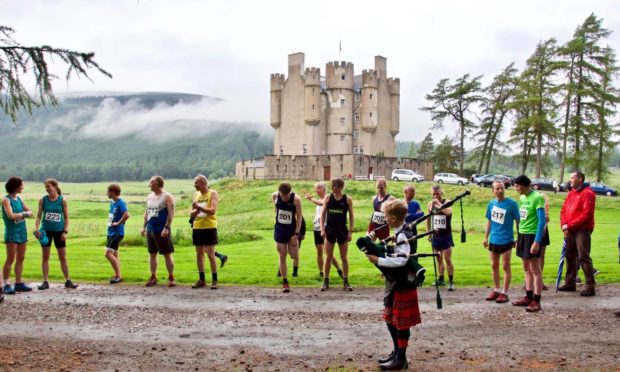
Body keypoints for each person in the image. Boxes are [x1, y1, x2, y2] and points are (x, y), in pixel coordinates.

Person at [366, 199, 421, 370]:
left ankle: (401, 358)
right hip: (397, 281)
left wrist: (379, 260)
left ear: (394, 218)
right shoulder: (400, 231)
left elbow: (402, 260)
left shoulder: (403, 234)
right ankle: (397, 352)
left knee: (401, 323)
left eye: (387, 216)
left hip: (403, 282)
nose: (385, 219)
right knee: (391, 319)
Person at [33, 179, 78, 289]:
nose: (47, 189)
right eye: (45, 187)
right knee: (45, 257)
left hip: (59, 232)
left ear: (55, 186)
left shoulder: (62, 201)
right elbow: (38, 216)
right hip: (46, 231)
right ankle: (45, 281)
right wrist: (36, 229)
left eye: (48, 186)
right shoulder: (42, 200)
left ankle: (68, 280)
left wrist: (65, 231)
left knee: (62, 257)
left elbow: (67, 218)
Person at [558, 172, 597, 296]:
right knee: (569, 256)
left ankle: (590, 286)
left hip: (582, 229)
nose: (570, 180)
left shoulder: (587, 193)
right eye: (570, 178)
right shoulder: (571, 193)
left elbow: (586, 215)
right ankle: (570, 283)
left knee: (583, 256)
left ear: (580, 179)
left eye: (572, 178)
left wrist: (569, 225)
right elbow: (563, 210)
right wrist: (564, 226)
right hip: (569, 230)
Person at [511, 175, 545, 312]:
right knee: (526, 267)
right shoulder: (522, 198)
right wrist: (518, 238)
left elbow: (542, 221)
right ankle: (528, 296)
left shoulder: (537, 197)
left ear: (525, 185)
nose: (516, 188)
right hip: (523, 235)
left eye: (517, 186)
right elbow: (523, 219)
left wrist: (537, 242)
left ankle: (536, 300)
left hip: (532, 235)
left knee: (535, 269)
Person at [483, 181, 520, 303]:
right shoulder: (491, 204)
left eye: (501, 188)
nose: (500, 191)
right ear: (493, 191)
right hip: (494, 239)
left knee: (505, 266)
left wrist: (519, 237)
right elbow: (489, 221)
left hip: (507, 239)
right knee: (494, 266)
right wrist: (486, 237)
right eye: (497, 189)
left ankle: (505, 292)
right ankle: (496, 290)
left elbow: (518, 221)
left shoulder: (512, 204)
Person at [320, 178, 355, 291]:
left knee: (344, 257)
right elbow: (323, 214)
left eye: (334, 186)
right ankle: (326, 281)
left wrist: (350, 231)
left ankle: (345, 281)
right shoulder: (328, 198)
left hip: (342, 230)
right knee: (328, 257)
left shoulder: (347, 199)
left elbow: (351, 216)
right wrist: (322, 229)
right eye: (332, 185)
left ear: (340, 187)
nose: (332, 188)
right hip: (330, 229)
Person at [141, 176, 176, 287]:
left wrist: (167, 227)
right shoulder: (150, 196)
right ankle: (153, 276)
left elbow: (171, 214)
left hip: (162, 230)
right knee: (152, 254)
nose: (149, 184)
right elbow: (147, 212)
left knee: (166, 254)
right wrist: (144, 226)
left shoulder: (167, 197)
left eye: (151, 182)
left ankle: (171, 277)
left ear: (158, 183)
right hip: (150, 229)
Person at [2, 177, 33, 295]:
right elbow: (10, 216)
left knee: (21, 258)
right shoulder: (6, 200)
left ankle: (18, 283)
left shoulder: (19, 199)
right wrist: (24, 214)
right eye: (22, 185)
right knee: (11, 258)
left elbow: (30, 212)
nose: (23, 187)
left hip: (22, 231)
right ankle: (6, 284)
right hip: (12, 232)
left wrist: (21, 214)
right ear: (15, 186)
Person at [306, 182, 343, 279]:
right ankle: (321, 272)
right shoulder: (319, 199)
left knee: (328, 253)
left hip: (325, 229)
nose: (316, 190)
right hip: (316, 228)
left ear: (324, 189)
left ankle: (339, 269)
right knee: (319, 251)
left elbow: (320, 203)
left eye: (318, 188)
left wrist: (310, 199)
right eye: (315, 188)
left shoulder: (327, 198)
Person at [190, 175, 222, 289]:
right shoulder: (196, 195)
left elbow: (213, 211)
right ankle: (202, 279)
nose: (195, 185)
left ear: (204, 183)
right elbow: (192, 212)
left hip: (209, 226)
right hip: (197, 227)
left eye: (196, 183)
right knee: (199, 254)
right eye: (194, 183)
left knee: (210, 253)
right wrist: (193, 213)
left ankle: (214, 280)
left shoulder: (212, 193)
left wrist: (199, 207)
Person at [272, 182, 302, 293]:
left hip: (292, 230)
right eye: (282, 195)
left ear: (290, 192)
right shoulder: (275, 196)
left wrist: (296, 234)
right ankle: (285, 282)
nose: (284, 197)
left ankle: (293, 251)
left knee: (294, 255)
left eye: (286, 195)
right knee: (282, 254)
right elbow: (276, 210)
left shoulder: (296, 200)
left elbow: (299, 218)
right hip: (280, 229)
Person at [426, 185, 455, 291]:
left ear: (441, 193)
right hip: (436, 235)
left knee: (447, 258)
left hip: (446, 234)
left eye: (437, 193)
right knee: (438, 258)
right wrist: (428, 232)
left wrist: (438, 204)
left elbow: (449, 212)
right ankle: (441, 278)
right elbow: (428, 219)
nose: (435, 196)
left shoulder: (447, 202)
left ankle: (451, 281)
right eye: (433, 194)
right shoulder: (430, 204)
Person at [105, 184, 130, 284]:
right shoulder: (112, 203)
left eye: (108, 191)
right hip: (111, 231)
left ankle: (118, 276)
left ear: (113, 192)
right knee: (115, 254)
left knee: (107, 253)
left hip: (117, 232)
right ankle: (118, 274)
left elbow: (127, 215)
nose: (107, 193)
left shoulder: (120, 203)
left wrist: (118, 223)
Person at [403, 184, 424, 252]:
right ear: (406, 192)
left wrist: (409, 215)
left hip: (413, 230)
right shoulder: (400, 203)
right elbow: (399, 217)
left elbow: (421, 215)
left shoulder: (415, 204)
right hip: (402, 231)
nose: (414, 193)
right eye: (412, 191)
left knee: (413, 250)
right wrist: (414, 216)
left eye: (414, 192)